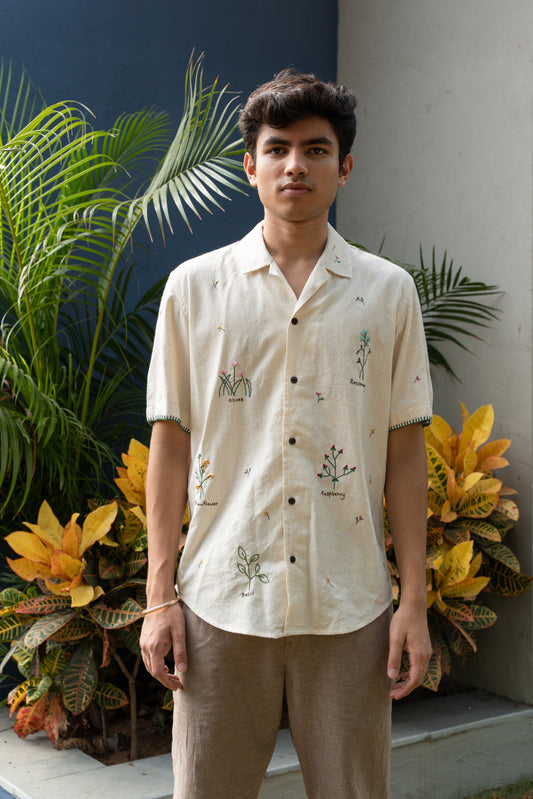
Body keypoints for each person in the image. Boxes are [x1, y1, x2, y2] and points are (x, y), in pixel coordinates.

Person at [140, 68, 433, 799]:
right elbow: (169, 445)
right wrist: (158, 593)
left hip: (348, 602)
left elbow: (404, 451)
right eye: (276, 149)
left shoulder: (387, 291)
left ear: (345, 166)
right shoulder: (194, 287)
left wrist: (413, 600)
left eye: (314, 148)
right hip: (218, 600)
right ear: (250, 165)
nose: (294, 165)